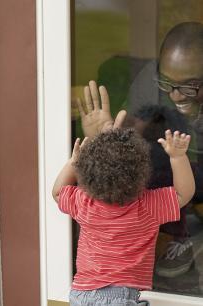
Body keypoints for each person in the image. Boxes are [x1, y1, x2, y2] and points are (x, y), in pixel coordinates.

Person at [79, 22, 203, 280]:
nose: (176, 96)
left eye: (190, 86)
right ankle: (180, 231)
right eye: (167, 83)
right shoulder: (151, 81)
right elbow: (131, 140)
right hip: (173, 171)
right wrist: (104, 137)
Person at [52, 127, 195, 306]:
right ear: (143, 173)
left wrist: (73, 163)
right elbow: (184, 194)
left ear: (86, 174)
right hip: (120, 297)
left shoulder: (84, 203)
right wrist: (178, 157)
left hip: (82, 293)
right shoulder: (147, 206)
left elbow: (58, 193)